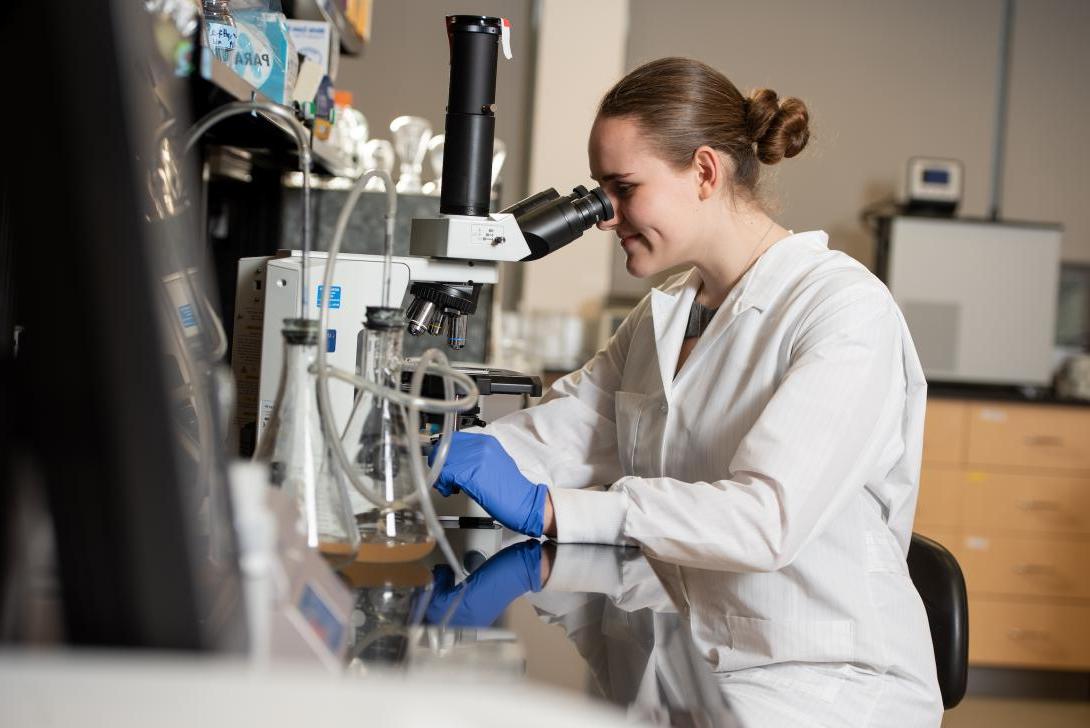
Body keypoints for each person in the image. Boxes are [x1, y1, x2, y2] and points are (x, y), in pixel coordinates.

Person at [431, 57, 943, 724]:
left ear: (705, 172)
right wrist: (432, 451)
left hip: (819, 683)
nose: (604, 216)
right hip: (688, 660)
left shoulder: (842, 310)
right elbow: (562, 434)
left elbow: (767, 520)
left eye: (622, 187)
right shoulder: (665, 315)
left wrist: (554, 508)